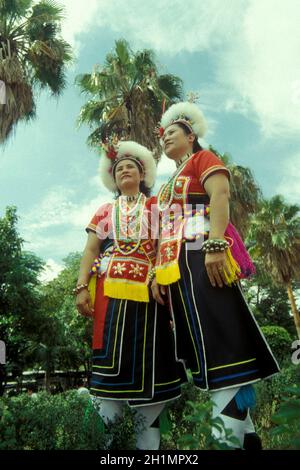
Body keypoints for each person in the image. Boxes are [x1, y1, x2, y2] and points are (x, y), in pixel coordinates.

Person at [151, 101, 280, 449]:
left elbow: (220, 194)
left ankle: (228, 441)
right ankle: (247, 436)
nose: (165, 139)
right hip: (177, 268)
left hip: (202, 253)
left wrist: (216, 245)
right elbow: (163, 230)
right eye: (163, 136)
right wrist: (156, 274)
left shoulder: (202, 160)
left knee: (220, 341)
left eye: (172, 133)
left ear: (191, 135)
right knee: (202, 345)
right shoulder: (168, 183)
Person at [75, 139, 185, 450]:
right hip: (111, 295)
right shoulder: (106, 211)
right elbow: (91, 248)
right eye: (119, 168)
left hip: (151, 294)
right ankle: (105, 444)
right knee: (110, 368)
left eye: (131, 167)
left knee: (150, 374)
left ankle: (148, 447)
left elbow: (170, 242)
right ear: (114, 178)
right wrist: (82, 286)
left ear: (142, 175)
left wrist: (158, 274)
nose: (125, 171)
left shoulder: (155, 207)